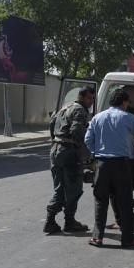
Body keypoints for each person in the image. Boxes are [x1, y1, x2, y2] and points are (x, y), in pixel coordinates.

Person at [85, 89, 134, 248]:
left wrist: (96, 152)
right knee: (125, 202)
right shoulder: (127, 117)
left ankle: (97, 238)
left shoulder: (97, 117)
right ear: (124, 102)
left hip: (101, 164)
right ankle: (127, 239)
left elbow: (88, 139)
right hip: (121, 165)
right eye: (128, 102)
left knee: (100, 201)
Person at [44, 86, 95, 234]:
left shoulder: (65, 107)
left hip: (56, 150)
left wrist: (56, 140)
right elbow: (77, 132)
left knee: (60, 188)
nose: (91, 102)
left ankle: (50, 220)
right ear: (81, 97)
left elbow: (52, 124)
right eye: (89, 98)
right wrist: (87, 146)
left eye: (92, 99)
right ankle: (69, 221)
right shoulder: (80, 110)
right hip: (69, 153)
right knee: (74, 189)